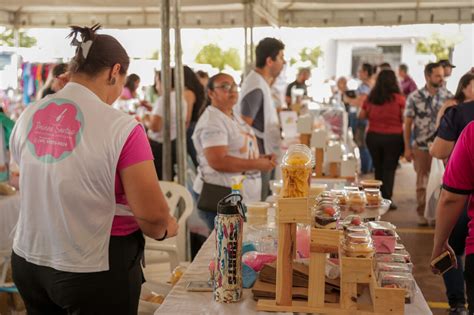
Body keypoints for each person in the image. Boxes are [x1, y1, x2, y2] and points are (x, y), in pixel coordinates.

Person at [9, 24, 178, 315]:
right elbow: (153, 216)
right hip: (92, 267)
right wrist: (166, 228)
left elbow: (22, 175)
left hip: (29, 259)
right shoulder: (122, 128)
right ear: (114, 71)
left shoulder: (29, 114)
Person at [192, 73, 276, 230]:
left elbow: (237, 149)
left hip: (238, 199)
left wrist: (260, 157)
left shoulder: (231, 115)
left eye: (234, 86)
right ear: (210, 93)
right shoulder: (213, 121)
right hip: (221, 198)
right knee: (226, 247)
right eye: (224, 86)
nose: (232, 90)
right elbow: (218, 161)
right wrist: (257, 164)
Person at [430, 72, 474, 315]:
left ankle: (457, 303)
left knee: (453, 249)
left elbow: (451, 198)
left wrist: (438, 243)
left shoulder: (460, 117)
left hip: (463, 199)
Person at [404, 62, 453, 226]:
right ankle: (422, 213)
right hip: (422, 146)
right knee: (422, 182)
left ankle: (438, 214)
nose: (441, 78)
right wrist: (407, 147)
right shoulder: (414, 97)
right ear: (427, 76)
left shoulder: (448, 96)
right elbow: (408, 123)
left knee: (443, 182)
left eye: (442, 75)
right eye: (437, 75)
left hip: (443, 147)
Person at [237, 37, 285, 200]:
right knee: (261, 205)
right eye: (281, 58)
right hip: (260, 158)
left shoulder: (261, 83)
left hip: (265, 155)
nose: (283, 62)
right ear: (269, 61)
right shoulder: (256, 86)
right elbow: (244, 125)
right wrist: (257, 159)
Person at [359, 70, 405, 210]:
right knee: (389, 168)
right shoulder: (399, 99)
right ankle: (387, 199)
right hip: (393, 137)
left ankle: (376, 198)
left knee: (378, 167)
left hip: (374, 136)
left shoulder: (371, 98)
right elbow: (403, 118)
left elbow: (362, 115)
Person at [145, 69, 187, 180]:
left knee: (158, 180)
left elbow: (155, 127)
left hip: (159, 148)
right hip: (172, 143)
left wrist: (145, 119)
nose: (156, 86)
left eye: (157, 82)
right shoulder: (180, 99)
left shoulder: (164, 100)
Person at [344, 63, 374, 174]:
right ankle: (368, 167)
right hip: (366, 118)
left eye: (360, 71)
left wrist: (348, 100)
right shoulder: (372, 84)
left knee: (361, 144)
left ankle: (366, 169)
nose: (358, 74)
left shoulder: (365, 86)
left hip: (362, 117)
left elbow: (361, 102)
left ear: (366, 72)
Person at [183, 66, 206, 168]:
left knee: (196, 160)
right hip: (195, 126)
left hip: (190, 129)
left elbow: (186, 118)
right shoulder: (197, 90)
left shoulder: (188, 93)